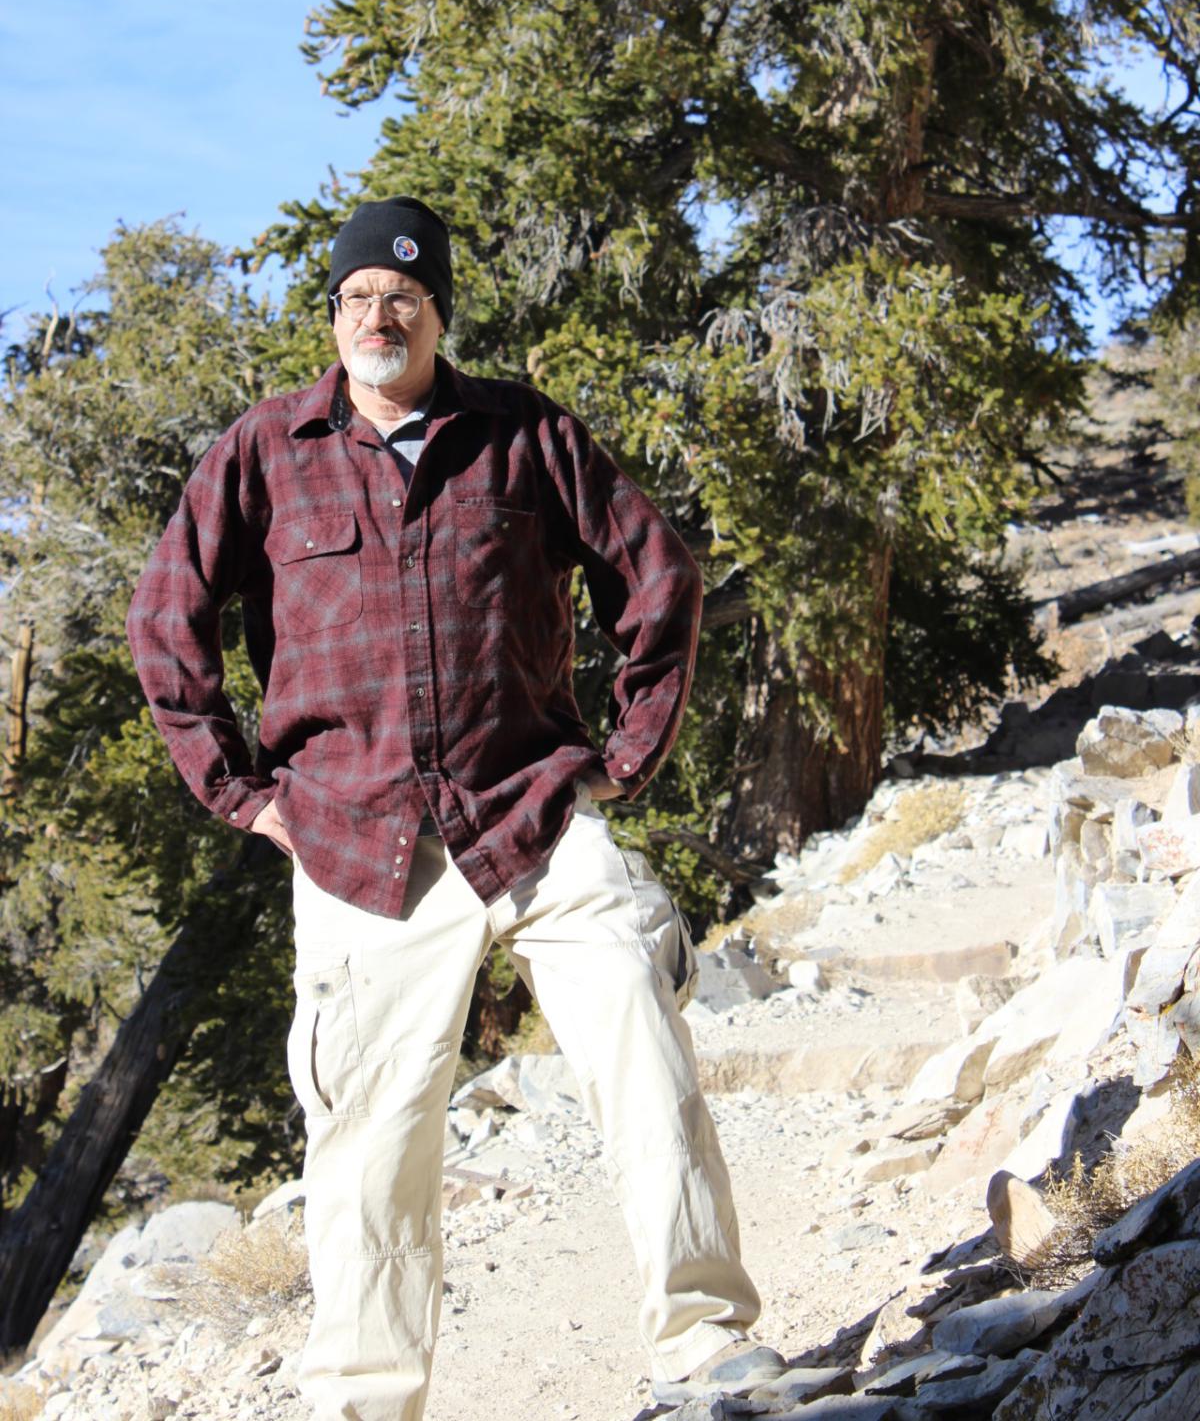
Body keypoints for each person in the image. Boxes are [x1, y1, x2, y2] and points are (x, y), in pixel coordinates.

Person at [126, 196, 785, 1419]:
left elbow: (657, 575)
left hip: (530, 811)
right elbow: (165, 622)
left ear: (438, 318)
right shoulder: (263, 450)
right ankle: (369, 1398)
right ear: (334, 316)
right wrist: (244, 797)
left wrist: (623, 758)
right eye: (361, 297)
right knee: (371, 1140)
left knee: (641, 1034)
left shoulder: (526, 434)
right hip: (353, 841)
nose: (383, 315)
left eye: (407, 298)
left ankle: (706, 1341)